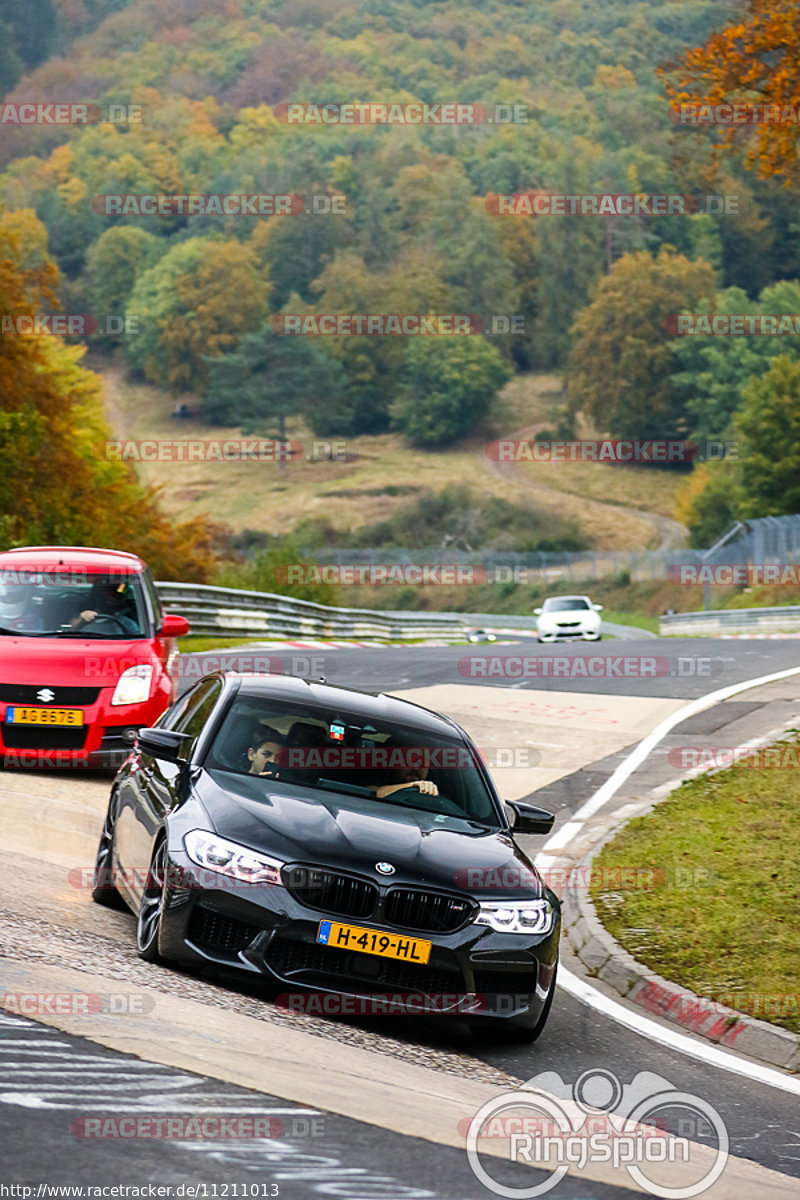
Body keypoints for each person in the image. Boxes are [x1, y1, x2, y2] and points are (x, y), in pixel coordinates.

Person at [71, 581, 139, 635]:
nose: (114, 595)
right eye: (109, 591)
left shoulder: (127, 623)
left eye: (117, 593)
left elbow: (136, 640)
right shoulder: (83, 615)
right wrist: (82, 619)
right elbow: (69, 630)